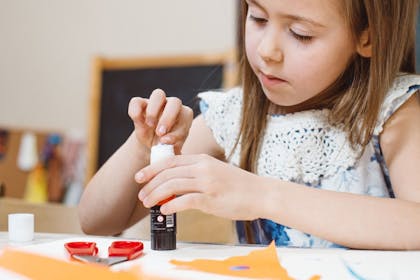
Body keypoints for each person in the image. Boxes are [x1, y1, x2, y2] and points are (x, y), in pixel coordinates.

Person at [78, 0, 420, 249]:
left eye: (301, 34)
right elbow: (97, 223)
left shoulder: (395, 111)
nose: (268, 50)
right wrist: (144, 147)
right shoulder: (233, 116)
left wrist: (261, 195)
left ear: (369, 37)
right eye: (257, 17)